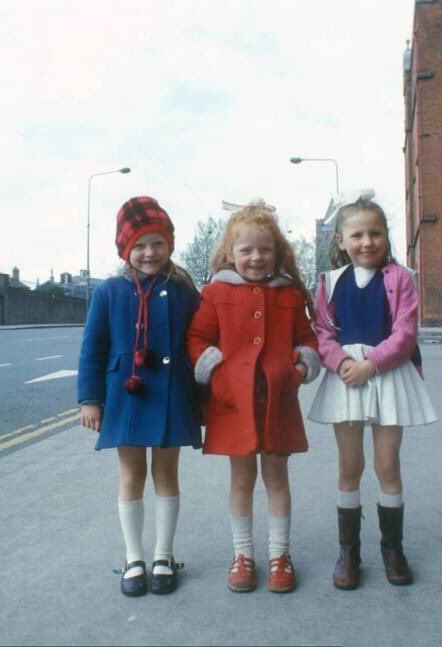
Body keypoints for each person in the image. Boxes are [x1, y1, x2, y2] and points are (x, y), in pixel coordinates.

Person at [186, 200, 321, 594]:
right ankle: (243, 555)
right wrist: (217, 374)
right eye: (246, 250)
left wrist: (298, 370)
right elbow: (197, 339)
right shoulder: (215, 293)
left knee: (277, 478)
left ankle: (280, 555)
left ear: (278, 253)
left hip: (277, 399)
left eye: (265, 250)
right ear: (231, 253)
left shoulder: (289, 294)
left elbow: (307, 339)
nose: (256, 257)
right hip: (233, 402)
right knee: (242, 479)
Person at [308, 190, 438, 590]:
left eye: (376, 234)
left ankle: (392, 548)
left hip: (386, 373)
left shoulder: (402, 278)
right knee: (350, 467)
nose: (367, 243)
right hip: (346, 376)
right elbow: (322, 332)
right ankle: (349, 550)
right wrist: (342, 362)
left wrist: (371, 364)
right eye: (358, 235)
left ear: (386, 236)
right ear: (341, 241)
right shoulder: (329, 282)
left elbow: (405, 331)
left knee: (387, 465)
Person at [77, 196, 202, 597]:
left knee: (166, 473)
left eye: (158, 243)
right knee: (131, 474)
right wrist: (89, 399)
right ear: (125, 249)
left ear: (170, 245)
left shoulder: (184, 290)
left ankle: (164, 556)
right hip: (126, 393)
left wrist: (206, 398)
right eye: (140, 245)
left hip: (172, 392)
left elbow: (199, 342)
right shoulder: (109, 292)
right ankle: (134, 557)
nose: (150, 253)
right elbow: (92, 347)